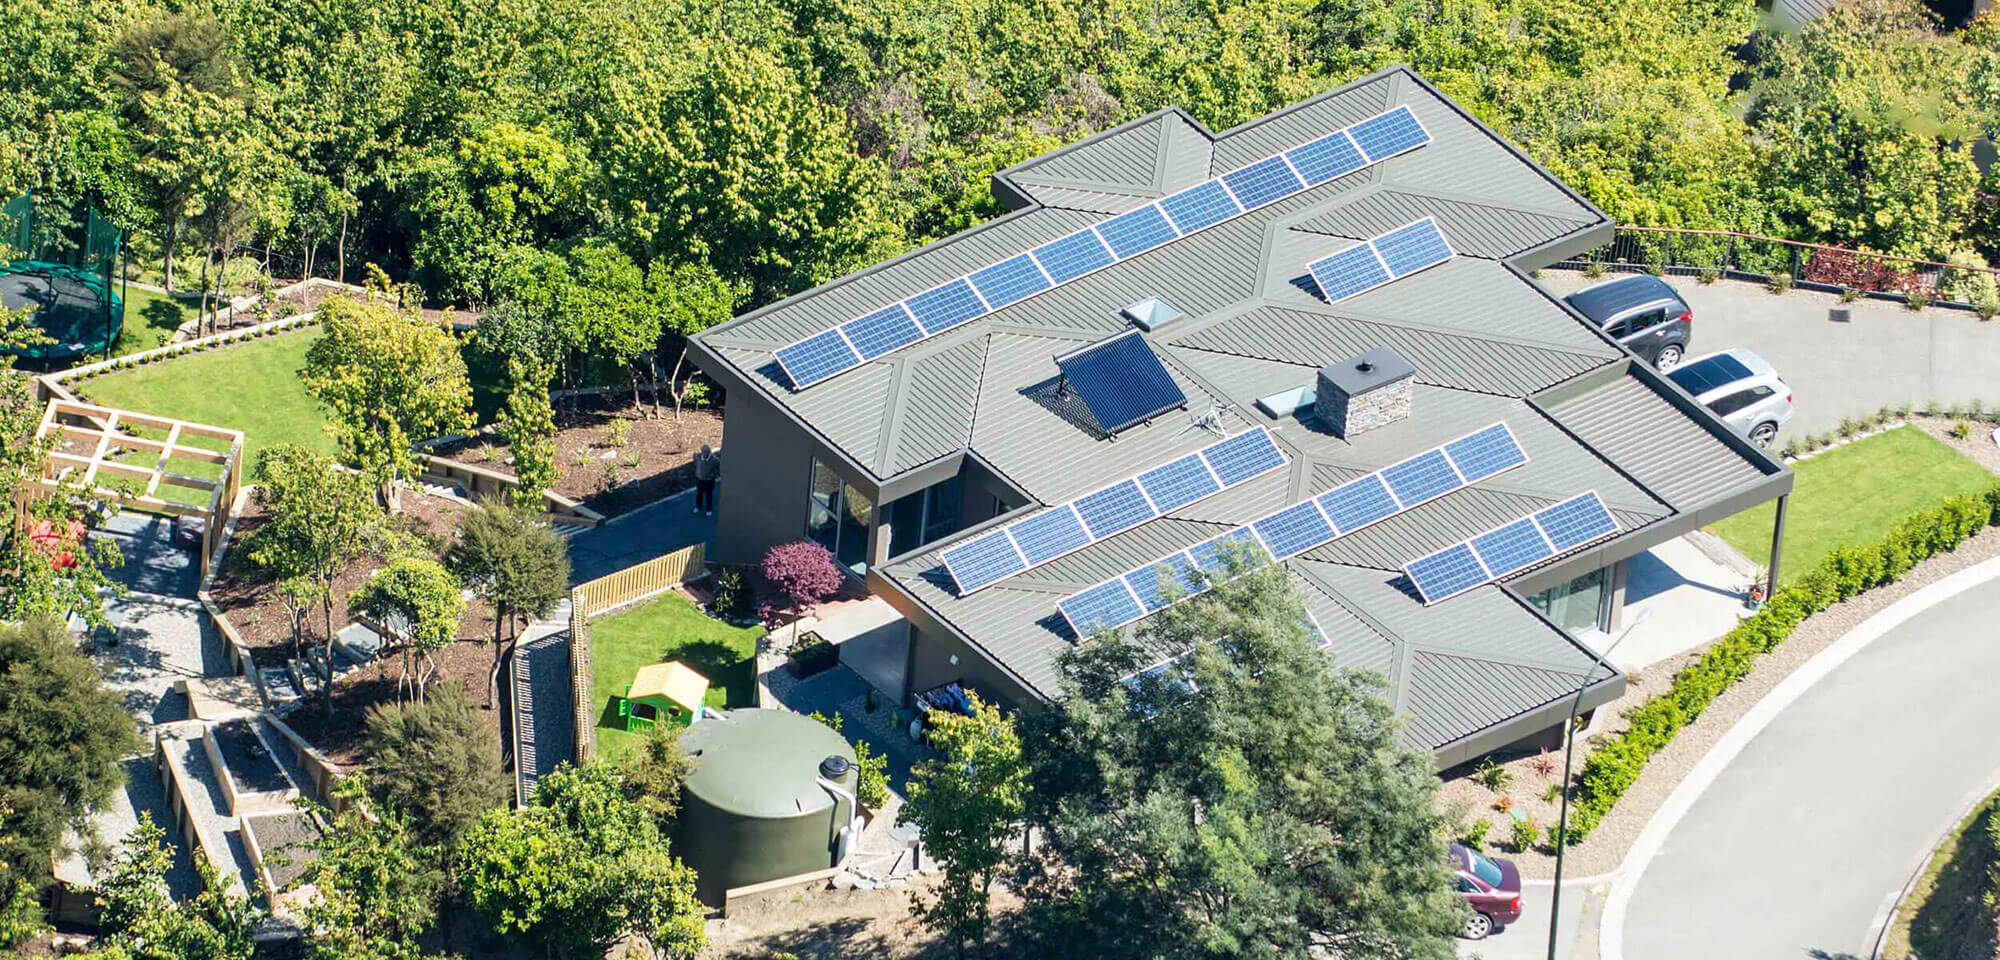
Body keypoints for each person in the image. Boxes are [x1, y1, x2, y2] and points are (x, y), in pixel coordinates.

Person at [693, 445, 721, 516]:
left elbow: (719, 467)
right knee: (699, 494)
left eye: (707, 452)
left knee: (709, 495)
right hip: (700, 479)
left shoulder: (714, 460)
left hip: (709, 481)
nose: (705, 453)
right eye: (704, 452)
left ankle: (709, 509)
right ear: (702, 452)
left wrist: (713, 475)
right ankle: (698, 507)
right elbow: (694, 458)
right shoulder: (698, 456)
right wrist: (698, 472)